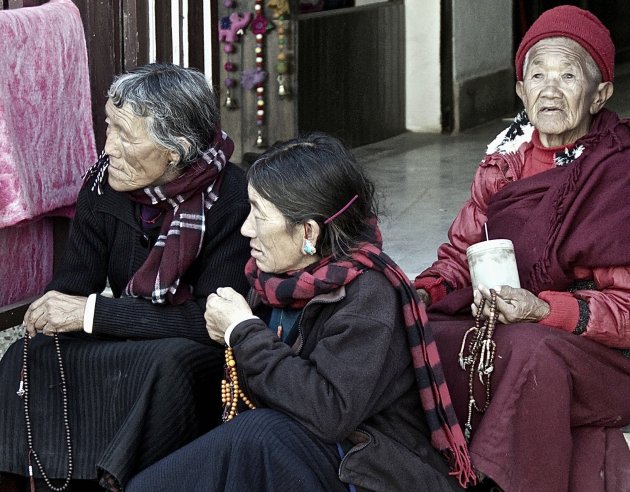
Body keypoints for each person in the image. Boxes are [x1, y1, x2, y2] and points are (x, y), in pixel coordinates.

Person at [126, 133, 477, 491]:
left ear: (309, 231)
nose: (246, 229)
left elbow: (329, 413)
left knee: (260, 435)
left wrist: (243, 331)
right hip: (307, 449)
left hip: (367, 468)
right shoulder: (275, 280)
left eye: (259, 215)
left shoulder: (369, 297)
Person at [0, 63, 251, 491]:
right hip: (129, 332)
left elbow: (209, 324)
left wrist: (94, 314)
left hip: (194, 344)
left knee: (166, 365)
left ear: (175, 151)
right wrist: (58, 309)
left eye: (125, 135)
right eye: (109, 127)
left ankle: (119, 480)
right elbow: (73, 287)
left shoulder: (232, 198)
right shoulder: (103, 185)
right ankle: (28, 476)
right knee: (28, 354)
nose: (109, 146)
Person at [413, 6, 630, 491]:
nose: (550, 89)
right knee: (420, 334)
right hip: (513, 333)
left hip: (605, 359)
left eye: (568, 75)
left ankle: (494, 480)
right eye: (538, 75)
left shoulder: (617, 173)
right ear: (521, 90)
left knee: (531, 354)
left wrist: (541, 308)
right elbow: (460, 254)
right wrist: (423, 293)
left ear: (601, 94)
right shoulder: (503, 162)